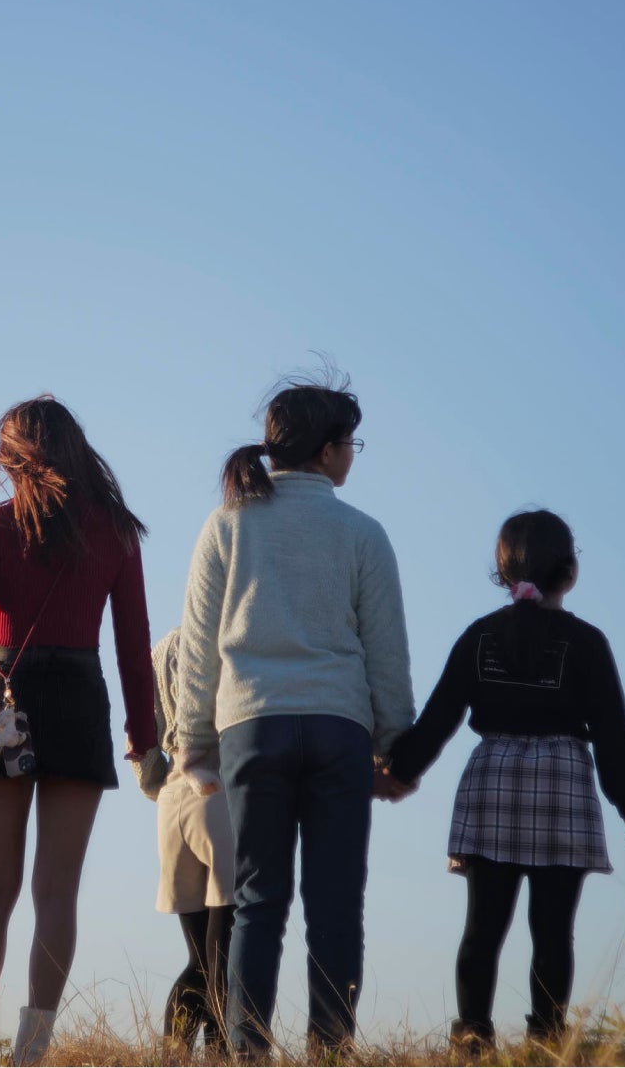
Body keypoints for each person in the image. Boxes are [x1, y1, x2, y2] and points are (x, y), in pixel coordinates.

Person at [0, 395, 157, 1066]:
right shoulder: (114, 531)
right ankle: (31, 1050)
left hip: (4, 697)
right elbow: (133, 647)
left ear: (15, 455)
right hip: (79, 698)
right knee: (57, 889)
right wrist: (145, 736)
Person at [176, 373, 415, 1057]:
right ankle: (329, 1048)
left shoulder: (224, 524)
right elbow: (385, 651)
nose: (353, 455)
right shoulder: (362, 532)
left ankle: (247, 1048)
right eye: (352, 442)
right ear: (329, 449)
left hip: (250, 725)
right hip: (339, 727)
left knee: (256, 900)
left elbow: (198, 648)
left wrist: (194, 744)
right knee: (335, 904)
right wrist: (394, 742)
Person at [386, 509, 625, 1050]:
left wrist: (398, 771)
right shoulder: (587, 641)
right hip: (563, 782)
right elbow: (610, 727)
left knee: (482, 926)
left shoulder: (478, 636)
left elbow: (441, 717)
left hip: (493, 778)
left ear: (504, 575)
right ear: (570, 573)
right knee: (553, 931)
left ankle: (471, 1036)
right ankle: (546, 1040)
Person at [146, 627, 235, 1054]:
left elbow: (139, 735)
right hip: (218, 786)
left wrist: (155, 784)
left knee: (200, 960)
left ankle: (172, 1057)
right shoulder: (229, 636)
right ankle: (223, 1057)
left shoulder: (160, 649)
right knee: (226, 955)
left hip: (171, 798)